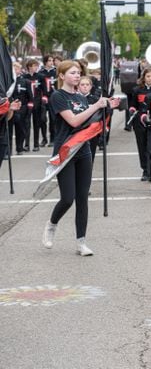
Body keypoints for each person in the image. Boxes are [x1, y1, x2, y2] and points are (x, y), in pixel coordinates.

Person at [41, 61, 119, 256]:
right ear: (61, 76)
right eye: (73, 73)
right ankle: (51, 225)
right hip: (65, 151)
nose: (77, 76)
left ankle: (81, 242)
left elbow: (90, 122)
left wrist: (107, 108)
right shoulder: (58, 96)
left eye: (78, 73)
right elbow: (74, 121)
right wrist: (95, 106)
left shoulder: (81, 98)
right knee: (68, 198)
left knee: (82, 198)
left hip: (83, 150)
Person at [128, 68, 151, 181]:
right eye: (148, 76)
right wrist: (132, 109)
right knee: (142, 146)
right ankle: (145, 170)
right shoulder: (137, 90)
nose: (150, 78)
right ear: (144, 77)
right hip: (139, 121)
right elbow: (133, 105)